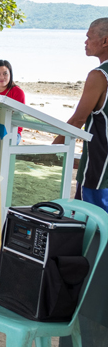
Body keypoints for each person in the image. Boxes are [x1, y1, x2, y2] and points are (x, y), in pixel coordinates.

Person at [54, 18, 108, 210]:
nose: (85, 42)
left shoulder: (99, 76)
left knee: (93, 227)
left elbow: (78, 120)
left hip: (99, 169)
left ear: (105, 41)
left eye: (89, 37)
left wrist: (51, 150)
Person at [0, 60, 26, 144]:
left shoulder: (17, 92)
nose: (2, 77)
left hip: (12, 132)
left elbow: (19, 117)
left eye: (5, 73)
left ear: (10, 75)